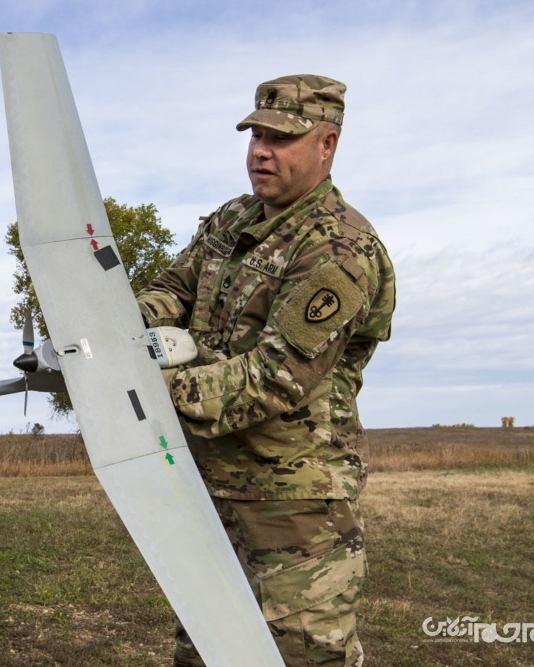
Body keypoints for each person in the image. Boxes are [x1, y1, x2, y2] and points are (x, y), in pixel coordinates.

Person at [136, 74, 396, 666]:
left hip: (296, 506)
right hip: (212, 485)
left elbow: (274, 376)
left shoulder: (341, 249)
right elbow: (172, 289)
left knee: (302, 656)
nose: (260, 149)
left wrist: (148, 385)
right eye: (255, 134)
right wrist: (116, 326)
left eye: (281, 138)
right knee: (206, 649)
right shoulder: (232, 219)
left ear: (326, 145)